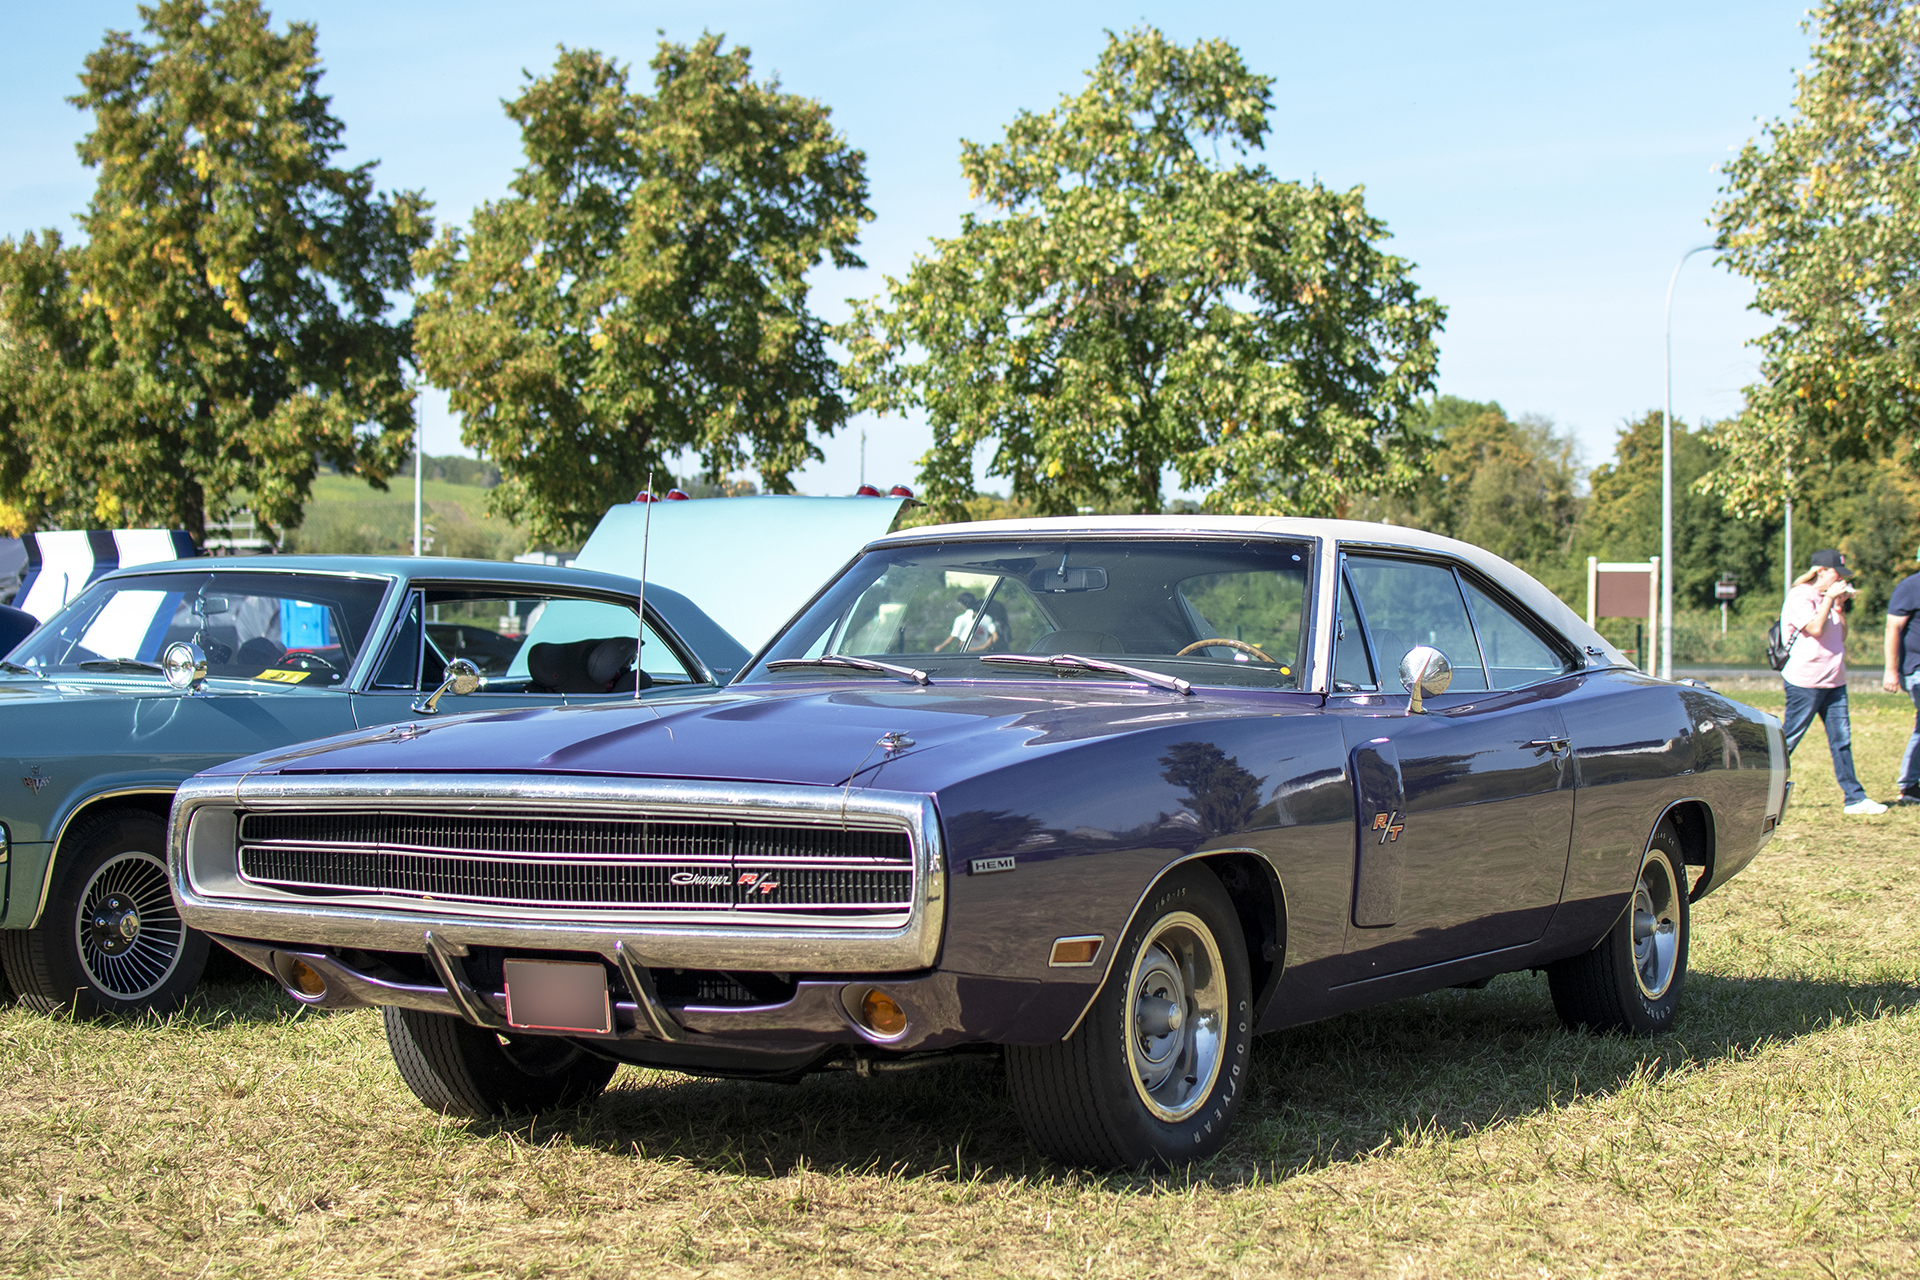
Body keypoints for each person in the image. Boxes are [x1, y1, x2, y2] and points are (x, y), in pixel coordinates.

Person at [1782, 549, 1885, 814]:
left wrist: (1838, 604)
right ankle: (1757, 791)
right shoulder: (1800, 596)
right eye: (1837, 573)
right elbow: (1815, 629)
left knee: (1842, 740)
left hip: (1834, 681)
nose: (1841, 579)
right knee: (1789, 740)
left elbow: (1841, 635)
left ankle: (1855, 798)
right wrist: (1828, 598)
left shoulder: (1829, 599)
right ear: (1821, 572)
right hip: (1806, 682)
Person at [1882, 545, 1920, 804]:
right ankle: (1908, 785)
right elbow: (1892, 628)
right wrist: (1891, 670)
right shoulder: (1910, 587)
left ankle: (1909, 785)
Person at [933, 591, 999, 653]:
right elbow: (995, 637)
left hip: (966, 654)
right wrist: (985, 646)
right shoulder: (986, 618)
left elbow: (952, 639)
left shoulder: (960, 619)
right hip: (982, 655)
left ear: (963, 605)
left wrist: (939, 647)